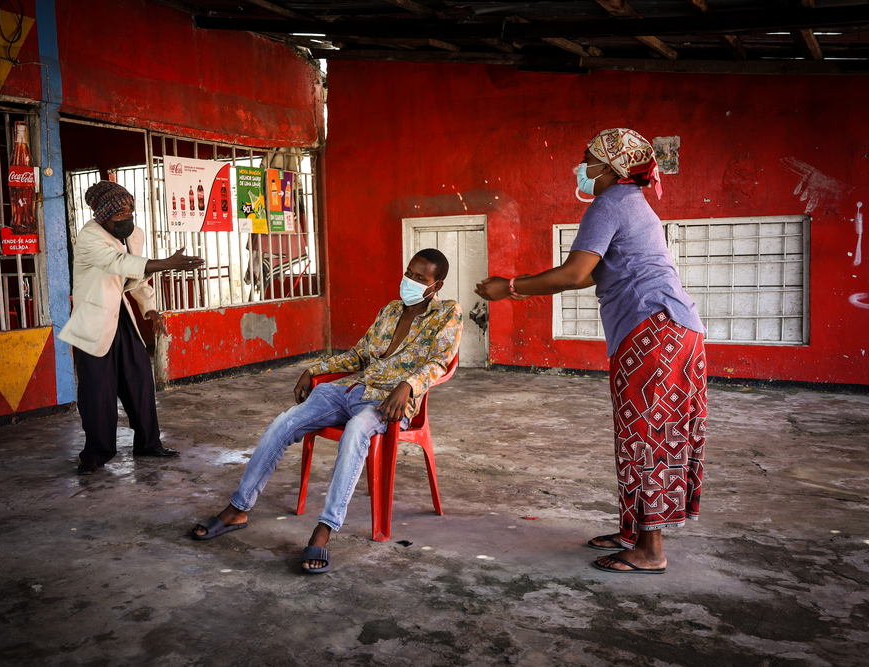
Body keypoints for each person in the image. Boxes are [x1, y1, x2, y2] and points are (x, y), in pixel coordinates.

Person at [475, 128, 707, 575]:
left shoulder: (610, 202)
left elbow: (575, 271)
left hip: (654, 329)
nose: (580, 168)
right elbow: (586, 274)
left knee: (647, 436)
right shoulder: (630, 204)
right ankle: (632, 531)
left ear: (611, 167)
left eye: (587, 159)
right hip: (668, 329)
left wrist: (511, 288)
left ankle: (650, 550)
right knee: (639, 431)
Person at [188, 249, 463, 574]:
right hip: (351, 392)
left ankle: (325, 529)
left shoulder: (447, 313)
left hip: (388, 405)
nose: (410, 281)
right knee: (285, 422)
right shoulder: (390, 310)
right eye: (409, 273)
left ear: (437, 284)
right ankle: (238, 508)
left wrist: (408, 386)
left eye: (420, 278)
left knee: (356, 432)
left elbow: (441, 361)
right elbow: (360, 355)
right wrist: (314, 370)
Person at [59, 181, 205, 475]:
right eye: (119, 214)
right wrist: (166, 263)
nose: (127, 217)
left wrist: (149, 307)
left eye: (130, 210)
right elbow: (120, 264)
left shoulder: (134, 234)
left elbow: (136, 278)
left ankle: (148, 444)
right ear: (103, 216)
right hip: (95, 320)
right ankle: (95, 454)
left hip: (122, 317)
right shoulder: (89, 237)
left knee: (140, 380)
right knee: (98, 392)